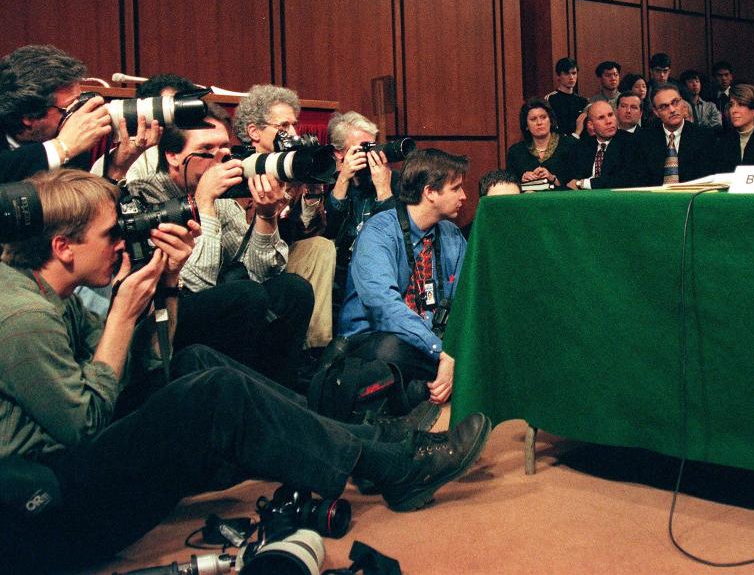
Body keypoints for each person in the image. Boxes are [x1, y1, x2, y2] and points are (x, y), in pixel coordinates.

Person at [0, 168, 491, 573]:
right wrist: (125, 314)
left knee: (195, 363)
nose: (120, 245)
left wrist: (167, 289)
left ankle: (375, 442)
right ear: (64, 247)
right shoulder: (24, 317)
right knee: (215, 393)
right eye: (110, 235)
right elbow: (85, 422)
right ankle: (392, 464)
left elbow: (151, 366)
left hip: (66, 466)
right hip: (47, 514)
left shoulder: (45, 293)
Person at [126, 103, 313, 388]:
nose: (221, 157)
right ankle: (247, 395)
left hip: (220, 309)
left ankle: (281, 394)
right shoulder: (147, 196)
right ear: (173, 155)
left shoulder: (221, 196)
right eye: (207, 149)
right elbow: (194, 284)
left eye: (225, 148)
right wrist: (204, 203)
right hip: (163, 316)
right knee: (245, 296)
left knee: (293, 289)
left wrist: (265, 217)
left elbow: (261, 273)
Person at [338, 148, 469, 405]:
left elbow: (465, 300)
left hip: (430, 342)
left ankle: (427, 387)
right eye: (456, 188)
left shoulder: (452, 235)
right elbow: (383, 308)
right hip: (373, 341)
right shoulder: (379, 232)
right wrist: (441, 353)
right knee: (390, 349)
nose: (464, 196)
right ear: (429, 192)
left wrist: (452, 352)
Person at [233, 84, 337, 352]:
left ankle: (315, 349)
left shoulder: (289, 167)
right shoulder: (238, 169)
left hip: (282, 259)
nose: (292, 133)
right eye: (283, 126)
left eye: (294, 125)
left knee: (321, 246)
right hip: (246, 270)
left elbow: (308, 229)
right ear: (253, 132)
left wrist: (312, 186)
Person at [322, 111, 402, 323]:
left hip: (380, 271)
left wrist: (383, 188)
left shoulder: (396, 182)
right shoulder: (327, 183)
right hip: (340, 274)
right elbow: (328, 230)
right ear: (340, 154)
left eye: (373, 146)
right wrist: (343, 179)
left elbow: (393, 234)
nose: (370, 155)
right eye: (363, 149)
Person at [0, 45, 114, 182]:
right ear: (29, 117)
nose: (78, 115)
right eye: (69, 106)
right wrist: (63, 147)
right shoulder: (66, 145)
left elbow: (80, 201)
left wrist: (116, 169)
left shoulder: (73, 145)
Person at [90, 73, 197, 181]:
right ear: (145, 111)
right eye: (169, 109)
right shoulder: (123, 158)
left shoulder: (199, 151)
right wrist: (118, 169)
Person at [637, 83, 718, 185]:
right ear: (656, 112)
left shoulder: (704, 137)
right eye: (664, 106)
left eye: (675, 102)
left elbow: (708, 179)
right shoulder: (643, 139)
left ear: (683, 103)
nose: (672, 110)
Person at [564, 100, 642, 190]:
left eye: (610, 115)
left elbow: (625, 179)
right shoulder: (582, 147)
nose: (608, 121)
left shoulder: (632, 143)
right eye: (601, 118)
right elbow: (570, 179)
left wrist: (583, 183)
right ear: (591, 125)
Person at [506, 97, 577, 186]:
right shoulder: (515, 151)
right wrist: (521, 180)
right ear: (526, 125)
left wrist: (552, 178)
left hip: (561, 198)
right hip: (528, 198)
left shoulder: (570, 145)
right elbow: (509, 185)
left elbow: (577, 182)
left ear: (551, 120)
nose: (539, 123)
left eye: (543, 117)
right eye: (533, 119)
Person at [544, 57, 588, 135]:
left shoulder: (582, 101)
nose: (571, 77)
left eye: (574, 73)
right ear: (558, 76)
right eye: (566, 73)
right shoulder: (550, 99)